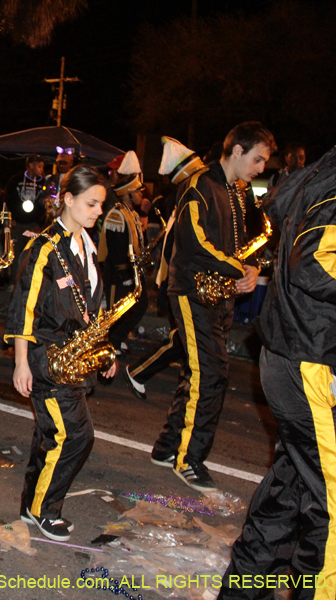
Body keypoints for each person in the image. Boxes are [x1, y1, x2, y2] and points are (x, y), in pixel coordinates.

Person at [218, 146, 336, 600]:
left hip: (294, 353)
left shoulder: (318, 177)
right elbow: (315, 261)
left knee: (289, 490)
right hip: (310, 357)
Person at [151, 122, 273, 492]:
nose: (261, 168)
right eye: (257, 159)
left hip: (218, 294)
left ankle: (167, 447)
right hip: (191, 291)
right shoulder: (200, 184)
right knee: (212, 374)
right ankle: (188, 459)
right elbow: (194, 242)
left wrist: (248, 270)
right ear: (236, 150)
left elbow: (234, 245)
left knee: (199, 373)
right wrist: (238, 267)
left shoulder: (237, 191)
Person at [6, 165, 115, 542]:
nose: (98, 211)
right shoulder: (44, 246)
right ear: (67, 200)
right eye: (92, 203)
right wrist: (21, 362)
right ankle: (43, 510)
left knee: (50, 435)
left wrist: (105, 350)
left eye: (101, 204)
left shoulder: (85, 243)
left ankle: (31, 505)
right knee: (75, 437)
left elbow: (93, 304)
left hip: (74, 360)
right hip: (47, 359)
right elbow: (25, 305)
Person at [124, 136, 205, 400]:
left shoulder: (189, 197)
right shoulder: (188, 199)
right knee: (183, 338)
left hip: (182, 279)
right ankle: (139, 370)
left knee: (186, 339)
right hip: (182, 280)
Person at [98, 151, 148, 354]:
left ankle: (118, 337)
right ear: (127, 193)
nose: (141, 195)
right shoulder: (117, 215)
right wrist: (124, 274)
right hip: (119, 274)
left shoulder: (132, 214)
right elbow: (116, 249)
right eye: (137, 192)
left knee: (139, 305)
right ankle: (111, 342)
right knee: (116, 310)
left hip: (132, 272)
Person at [5, 155, 51, 278]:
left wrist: (40, 224)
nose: (42, 169)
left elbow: (46, 205)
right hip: (18, 225)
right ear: (31, 165)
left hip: (33, 226)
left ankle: (31, 281)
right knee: (16, 253)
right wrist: (11, 219)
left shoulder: (44, 182)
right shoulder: (15, 180)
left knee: (33, 253)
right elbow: (8, 201)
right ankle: (15, 281)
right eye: (39, 166)